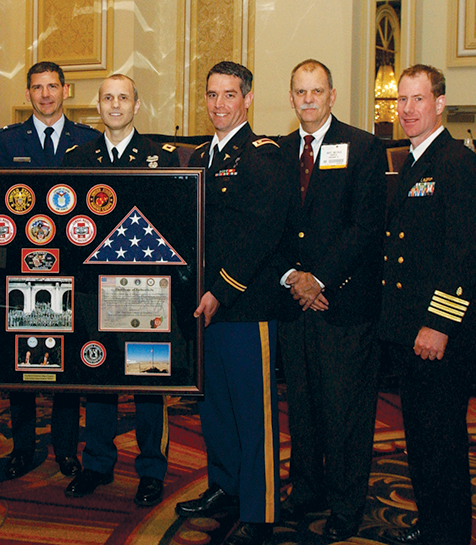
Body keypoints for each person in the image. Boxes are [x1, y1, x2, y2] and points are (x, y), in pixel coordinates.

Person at [173, 61, 291, 545]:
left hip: (244, 306)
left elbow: (261, 234)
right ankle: (225, 487)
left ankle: (259, 512)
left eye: (229, 95)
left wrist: (220, 290)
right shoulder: (200, 156)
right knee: (215, 407)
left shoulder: (263, 156)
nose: (219, 104)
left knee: (252, 413)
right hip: (205, 306)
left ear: (247, 99)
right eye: (212, 95)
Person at [377, 64, 476, 545]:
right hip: (409, 331)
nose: (407, 110)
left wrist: (438, 324)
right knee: (421, 438)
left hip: (437, 334)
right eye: (401, 100)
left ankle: (449, 533)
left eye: (418, 99)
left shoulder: (457, 163)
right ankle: (432, 524)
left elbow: (465, 254)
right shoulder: (413, 161)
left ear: (440, 103)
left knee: (442, 441)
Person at [276, 59, 385, 540]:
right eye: (300, 92)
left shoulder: (363, 147)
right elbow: (273, 226)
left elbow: (365, 228)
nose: (308, 100)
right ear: (291, 97)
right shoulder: (279, 153)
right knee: (301, 408)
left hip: (343, 306)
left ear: (332, 95)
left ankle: (345, 503)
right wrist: (292, 278)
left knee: (345, 414)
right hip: (293, 305)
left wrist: (319, 280)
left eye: (316, 91)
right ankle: (307, 490)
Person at [60, 74, 178, 507]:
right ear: (97, 105)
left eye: (123, 98)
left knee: (148, 378)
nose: (115, 105)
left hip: (145, 288)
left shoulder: (162, 158)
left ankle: (151, 470)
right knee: (98, 373)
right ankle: (97, 464)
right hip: (93, 287)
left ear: (136, 105)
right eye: (107, 98)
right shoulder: (76, 159)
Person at [0, 61, 98, 480]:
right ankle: (22, 447)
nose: (46, 95)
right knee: (22, 359)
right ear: (28, 94)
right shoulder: (6, 140)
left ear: (66, 90)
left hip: (71, 264)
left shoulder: (87, 140)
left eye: (53, 86)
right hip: (21, 264)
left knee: (66, 361)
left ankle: (66, 449)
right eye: (38, 88)